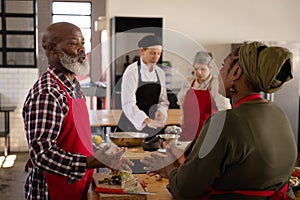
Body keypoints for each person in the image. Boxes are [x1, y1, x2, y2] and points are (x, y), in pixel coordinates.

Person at [141, 41, 297, 199]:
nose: (220, 71)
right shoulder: (278, 113)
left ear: (236, 72)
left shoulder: (223, 123)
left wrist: (170, 170)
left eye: (223, 65)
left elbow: (184, 189)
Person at [22, 22, 133, 200]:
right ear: (52, 49)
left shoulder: (74, 87)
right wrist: (89, 161)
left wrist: (105, 156)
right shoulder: (48, 93)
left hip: (77, 185)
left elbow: (76, 139)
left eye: (83, 42)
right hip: (52, 191)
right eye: (74, 43)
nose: (82, 50)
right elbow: (41, 154)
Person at [176, 51, 231, 160]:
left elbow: (225, 112)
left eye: (203, 69)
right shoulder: (188, 83)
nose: (199, 72)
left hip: (206, 137)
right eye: (196, 69)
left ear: (210, 69)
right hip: (187, 135)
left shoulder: (216, 84)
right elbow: (183, 109)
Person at [117, 35, 170, 140]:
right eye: (152, 53)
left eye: (159, 53)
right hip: (131, 124)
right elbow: (128, 103)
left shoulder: (160, 73)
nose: (156, 57)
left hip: (153, 125)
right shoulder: (131, 71)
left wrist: (161, 112)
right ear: (142, 51)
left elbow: (163, 101)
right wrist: (146, 120)